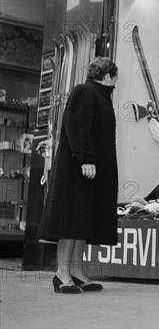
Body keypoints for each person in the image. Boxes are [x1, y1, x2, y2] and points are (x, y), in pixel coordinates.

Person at [38, 57, 119, 293]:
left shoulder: (99, 96)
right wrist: (87, 158)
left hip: (91, 171)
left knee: (82, 223)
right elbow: (78, 126)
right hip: (78, 170)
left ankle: (76, 271)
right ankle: (61, 274)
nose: (116, 83)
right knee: (70, 222)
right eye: (115, 78)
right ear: (106, 77)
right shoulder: (85, 91)